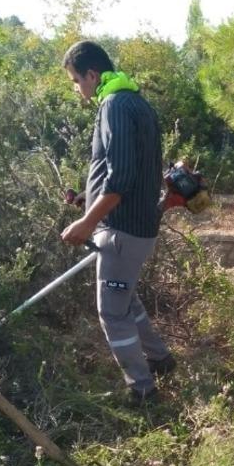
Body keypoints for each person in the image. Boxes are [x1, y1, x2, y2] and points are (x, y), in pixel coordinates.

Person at [59, 41, 174, 405]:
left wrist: (87, 223)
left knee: (112, 311)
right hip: (136, 227)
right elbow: (128, 172)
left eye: (77, 81)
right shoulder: (135, 101)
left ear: (92, 75)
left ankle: (142, 390)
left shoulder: (114, 106)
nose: (78, 90)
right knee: (126, 300)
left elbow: (121, 179)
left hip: (122, 230)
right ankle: (161, 360)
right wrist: (87, 199)